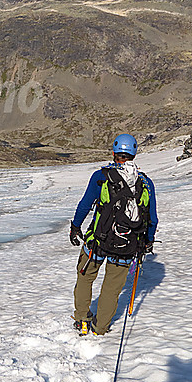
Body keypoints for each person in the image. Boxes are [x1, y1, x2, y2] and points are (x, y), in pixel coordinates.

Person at [68, 133, 158, 336]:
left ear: (114, 152)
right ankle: (100, 328)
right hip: (127, 245)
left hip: (97, 241)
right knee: (111, 288)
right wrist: (148, 242)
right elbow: (152, 219)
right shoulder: (145, 183)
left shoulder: (101, 176)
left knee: (85, 277)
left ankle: (82, 318)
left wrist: (75, 227)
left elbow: (84, 206)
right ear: (134, 154)